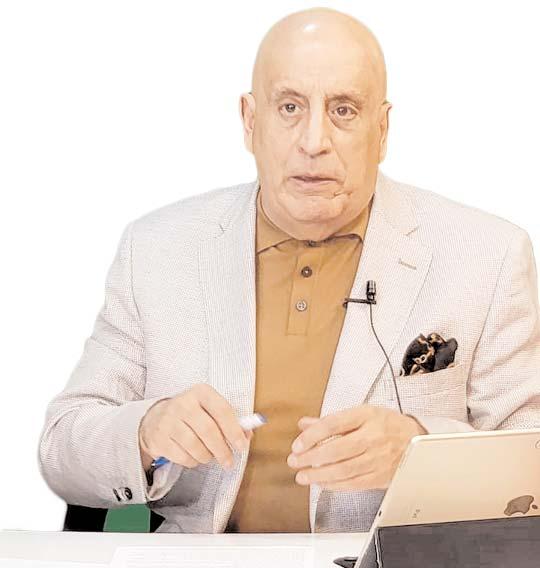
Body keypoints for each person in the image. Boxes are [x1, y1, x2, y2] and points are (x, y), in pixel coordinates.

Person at [39, 7, 540, 538]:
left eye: (343, 110)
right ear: (250, 121)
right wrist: (144, 433)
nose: (313, 141)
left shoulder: (487, 254)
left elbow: (530, 456)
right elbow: (61, 449)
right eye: (290, 107)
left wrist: (419, 449)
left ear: (382, 128)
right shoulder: (157, 249)